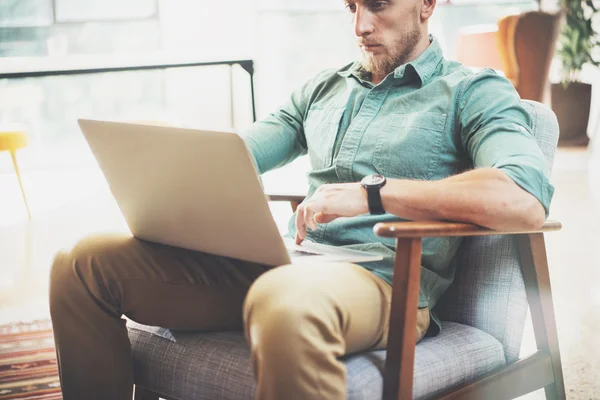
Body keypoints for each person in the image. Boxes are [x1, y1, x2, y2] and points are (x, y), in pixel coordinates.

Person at [49, 0, 554, 399]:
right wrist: (165, 163)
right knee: (80, 264)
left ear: (427, 4)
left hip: (381, 282)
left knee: (284, 301)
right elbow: (237, 154)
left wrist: (374, 194)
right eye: (351, 6)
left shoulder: (471, 90)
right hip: (286, 265)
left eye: (378, 5)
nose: (361, 25)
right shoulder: (324, 88)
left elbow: (522, 197)